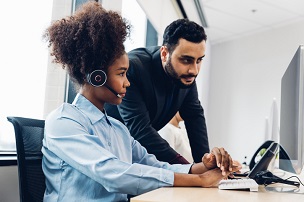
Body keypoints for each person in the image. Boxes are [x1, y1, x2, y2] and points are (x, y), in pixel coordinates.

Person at [41, 1, 241, 201]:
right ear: (97, 77)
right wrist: (199, 180)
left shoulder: (118, 130)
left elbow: (156, 166)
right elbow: (113, 173)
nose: (128, 82)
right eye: (121, 74)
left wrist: (204, 166)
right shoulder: (63, 121)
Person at [105, 18, 209, 164]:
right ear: (165, 53)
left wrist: (206, 164)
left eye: (199, 60)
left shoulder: (186, 75)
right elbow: (140, 130)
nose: (194, 70)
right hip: (106, 149)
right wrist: (189, 169)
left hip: (134, 153)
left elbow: (194, 116)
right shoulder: (133, 68)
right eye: (186, 60)